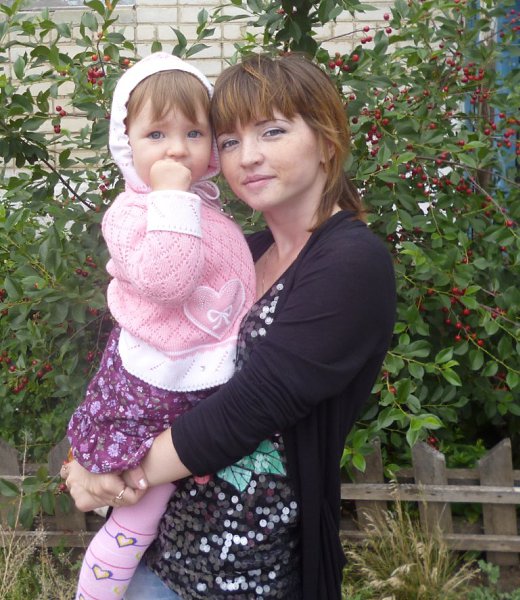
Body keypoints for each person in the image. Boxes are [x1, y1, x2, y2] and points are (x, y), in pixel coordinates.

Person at [62, 53, 396, 600]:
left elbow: (253, 407)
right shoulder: (241, 253)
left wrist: (114, 470)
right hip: (161, 553)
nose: (249, 156)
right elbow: (143, 350)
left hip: (247, 576)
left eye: (272, 131)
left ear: (327, 140)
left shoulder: (351, 263)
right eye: (231, 140)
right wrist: (87, 453)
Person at [66, 51, 256, 600]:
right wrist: (171, 196)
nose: (176, 149)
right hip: (152, 386)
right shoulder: (133, 213)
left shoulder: (205, 211)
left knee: (150, 513)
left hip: (196, 389)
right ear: (127, 145)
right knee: (134, 519)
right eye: (156, 134)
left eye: (194, 133)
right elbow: (169, 280)